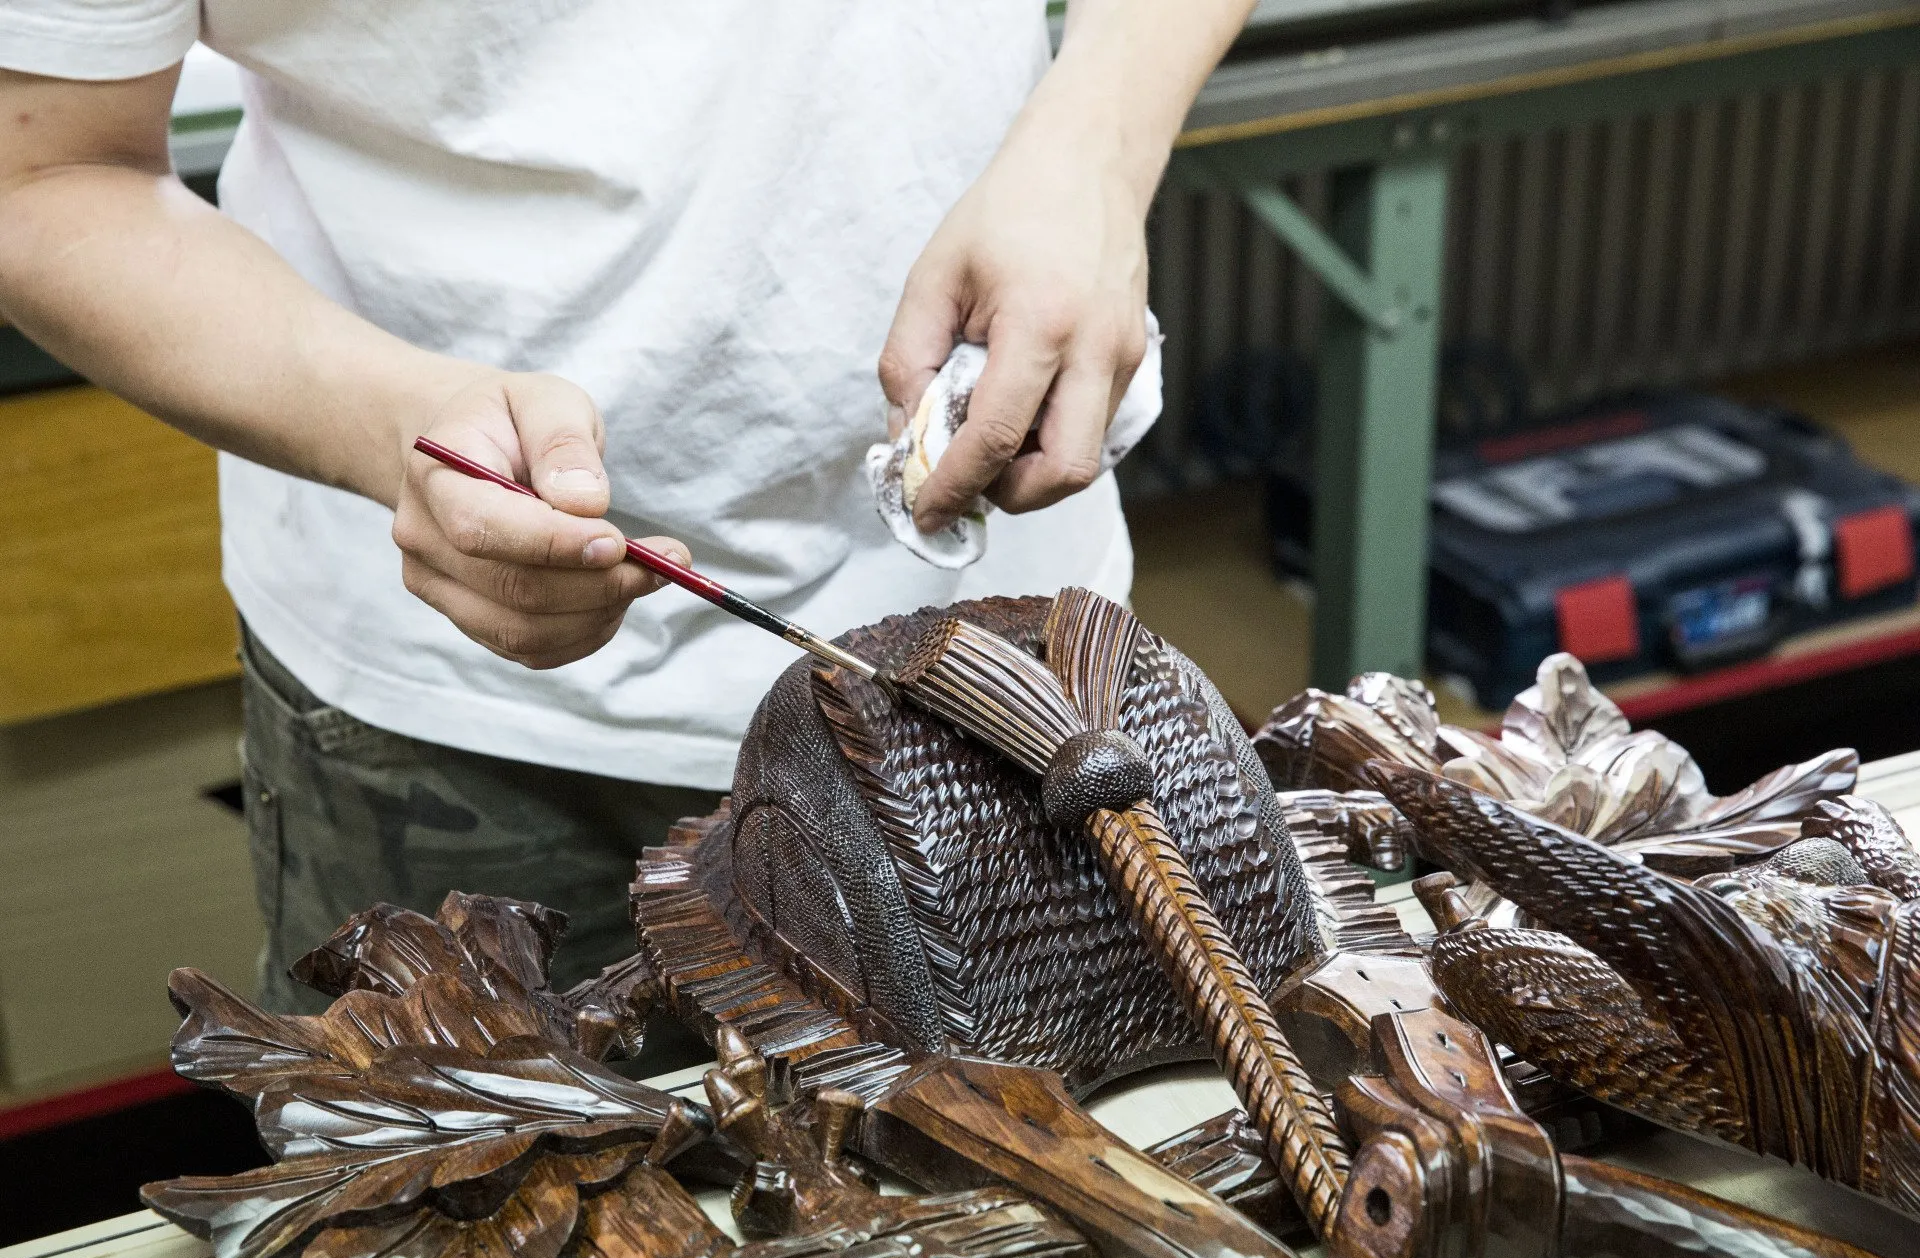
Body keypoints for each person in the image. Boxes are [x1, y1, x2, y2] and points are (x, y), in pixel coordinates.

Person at [0, 1, 1255, 1020]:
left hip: (1005, 680)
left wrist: (1094, 147)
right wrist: (396, 428)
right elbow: (44, 169)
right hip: (473, 741)